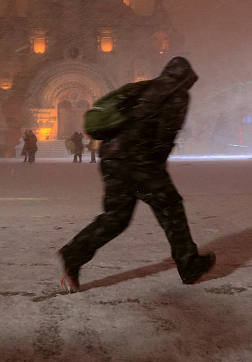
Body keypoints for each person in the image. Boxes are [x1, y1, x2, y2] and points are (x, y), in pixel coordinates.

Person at [58, 57, 215, 292]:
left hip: (112, 158)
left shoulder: (142, 87)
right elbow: (166, 134)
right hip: (141, 162)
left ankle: (73, 255)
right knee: (171, 209)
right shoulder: (177, 95)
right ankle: (189, 265)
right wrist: (157, 161)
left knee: (116, 217)